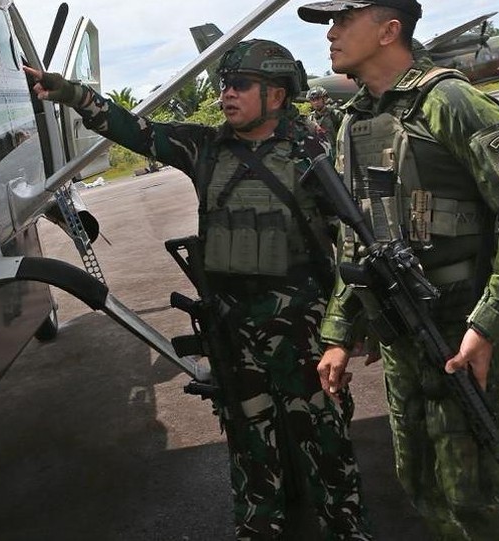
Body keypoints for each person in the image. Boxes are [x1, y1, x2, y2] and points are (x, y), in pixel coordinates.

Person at [25, 39, 372, 541]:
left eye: (239, 85)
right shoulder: (204, 147)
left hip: (304, 329)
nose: (226, 93)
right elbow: (134, 130)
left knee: (325, 436)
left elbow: (353, 246)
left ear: (276, 94)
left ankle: (347, 527)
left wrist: (345, 325)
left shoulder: (314, 153)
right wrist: (71, 94)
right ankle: (259, 526)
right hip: (235, 328)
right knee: (250, 440)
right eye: (223, 84)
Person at [298, 0, 499, 540]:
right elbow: (359, 239)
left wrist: (489, 325)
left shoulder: (450, 102)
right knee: (423, 486)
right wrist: (338, 332)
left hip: (458, 327)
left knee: (490, 500)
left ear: (388, 30)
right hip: (400, 334)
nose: (331, 33)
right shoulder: (356, 121)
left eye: (344, 19)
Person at [305, 86, 344, 151]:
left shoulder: (335, 115)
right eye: (313, 100)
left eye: (318, 99)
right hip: (319, 153)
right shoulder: (310, 118)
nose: (315, 102)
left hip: (335, 151)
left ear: (324, 99)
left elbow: (344, 135)